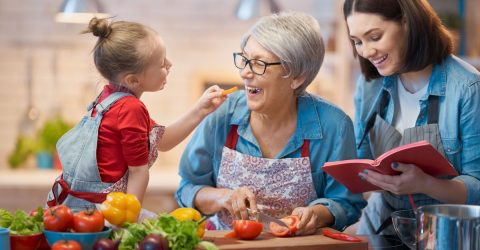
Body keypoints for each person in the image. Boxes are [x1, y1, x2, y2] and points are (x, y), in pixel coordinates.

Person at [175, 12, 366, 235]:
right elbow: (186, 189)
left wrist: (316, 214)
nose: (245, 73)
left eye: (258, 64)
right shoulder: (222, 115)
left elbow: (347, 203)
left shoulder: (334, 125)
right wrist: (223, 197)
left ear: (297, 77)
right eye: (245, 60)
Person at [46, 17, 227, 212]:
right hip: (101, 211)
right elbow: (138, 172)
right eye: (161, 63)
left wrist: (201, 109)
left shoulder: (108, 99)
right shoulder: (131, 108)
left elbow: (162, 141)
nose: (170, 64)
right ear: (133, 80)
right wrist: (128, 222)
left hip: (77, 205)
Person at [343, 0, 480, 236]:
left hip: (446, 232)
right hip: (382, 224)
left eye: (374, 37)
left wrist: (425, 184)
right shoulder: (369, 85)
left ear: (407, 23)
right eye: (357, 42)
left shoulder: (467, 88)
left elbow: (477, 187)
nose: (366, 51)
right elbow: (361, 157)